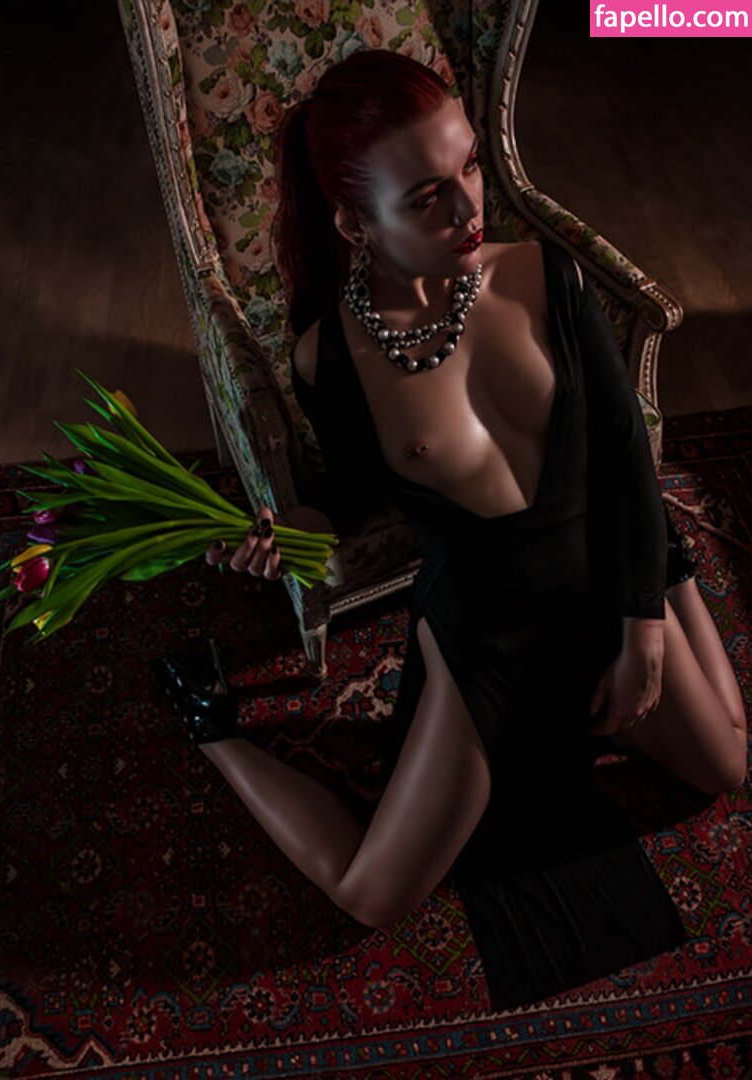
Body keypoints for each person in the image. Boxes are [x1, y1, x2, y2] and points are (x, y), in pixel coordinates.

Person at [154, 49, 747, 1009]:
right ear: (356, 223)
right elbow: (354, 497)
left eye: (470, 165)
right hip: (485, 641)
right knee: (370, 894)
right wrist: (285, 532)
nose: (470, 208)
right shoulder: (329, 358)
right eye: (427, 196)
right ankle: (207, 722)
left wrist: (643, 623)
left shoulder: (548, 279)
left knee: (727, 764)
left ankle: (668, 568)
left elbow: (625, 460)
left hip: (605, 586)